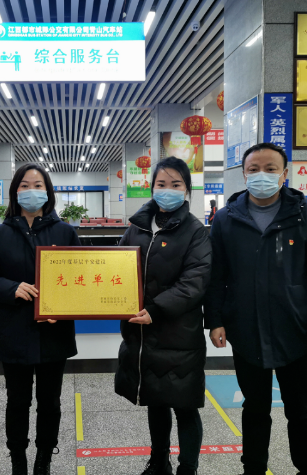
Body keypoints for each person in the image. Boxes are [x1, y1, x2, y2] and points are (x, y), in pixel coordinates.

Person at [205, 143, 307, 475]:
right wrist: (215, 320)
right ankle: (253, 469)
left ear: (284, 173)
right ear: (244, 174)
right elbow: (216, 276)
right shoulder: (226, 219)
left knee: (301, 408)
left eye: (270, 168)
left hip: (297, 330)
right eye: (253, 169)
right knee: (254, 407)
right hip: (246, 330)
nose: (261, 175)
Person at [0, 163, 80, 475]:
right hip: (15, 330)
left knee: (50, 402)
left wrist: (61, 309)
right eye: (24, 185)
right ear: (15, 192)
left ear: (48, 192)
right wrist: (12, 288)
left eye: (38, 185)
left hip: (54, 333)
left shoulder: (65, 232)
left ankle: (44, 459)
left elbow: (80, 281)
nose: (31, 191)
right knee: (17, 401)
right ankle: (18, 459)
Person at [114, 157, 212, 475]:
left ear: (186, 190)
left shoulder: (195, 232)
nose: (167, 190)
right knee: (155, 401)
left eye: (176, 184)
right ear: (152, 187)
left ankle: (188, 468)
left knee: (185, 406)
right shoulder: (137, 227)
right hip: (143, 335)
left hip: (178, 334)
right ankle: (158, 463)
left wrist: (155, 310)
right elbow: (115, 267)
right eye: (161, 184)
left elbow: (194, 282)